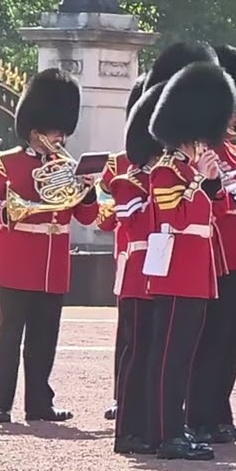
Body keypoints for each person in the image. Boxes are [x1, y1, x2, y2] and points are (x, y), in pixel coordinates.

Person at [0, 68, 100, 424]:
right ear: (35, 130)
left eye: (62, 131)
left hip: (53, 261)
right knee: (9, 337)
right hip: (17, 260)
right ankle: (1, 403)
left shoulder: (68, 167)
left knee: (45, 339)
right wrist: (8, 210)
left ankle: (38, 403)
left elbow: (87, 218)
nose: (60, 137)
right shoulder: (6, 162)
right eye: (55, 130)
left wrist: (87, 189)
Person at [145, 61, 236, 460]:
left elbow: (217, 211)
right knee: (171, 358)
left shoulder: (189, 169)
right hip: (177, 273)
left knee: (184, 357)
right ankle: (166, 434)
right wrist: (199, 179)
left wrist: (210, 180)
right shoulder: (166, 171)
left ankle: (174, 427)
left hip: (197, 273)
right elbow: (177, 219)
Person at [186, 44, 236, 444]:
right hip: (219, 253)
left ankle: (221, 414)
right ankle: (199, 415)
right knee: (212, 338)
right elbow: (210, 200)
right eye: (233, 111)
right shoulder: (202, 152)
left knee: (233, 339)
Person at [109, 81, 163, 456]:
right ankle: (127, 430)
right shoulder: (127, 183)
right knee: (138, 353)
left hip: (164, 275)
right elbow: (138, 225)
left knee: (157, 355)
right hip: (138, 276)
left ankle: (150, 424)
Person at [101, 74, 148, 422]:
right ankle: (123, 395)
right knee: (129, 330)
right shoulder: (117, 164)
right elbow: (107, 211)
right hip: (129, 250)